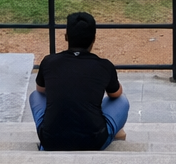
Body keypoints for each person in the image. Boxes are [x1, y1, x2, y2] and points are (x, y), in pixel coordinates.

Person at [30, 11, 129, 150]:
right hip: (93, 142)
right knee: (122, 101)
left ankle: (53, 137)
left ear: (66, 37)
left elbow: (40, 90)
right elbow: (116, 94)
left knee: (35, 96)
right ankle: (115, 131)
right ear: (93, 39)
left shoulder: (49, 62)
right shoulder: (104, 65)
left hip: (51, 140)